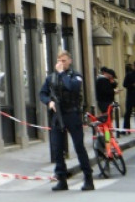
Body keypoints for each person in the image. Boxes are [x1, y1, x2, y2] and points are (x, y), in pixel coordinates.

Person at [39, 50, 94, 191]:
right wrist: (49, 102)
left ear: (70, 61)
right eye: (59, 60)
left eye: (64, 60)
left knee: (79, 147)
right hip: (58, 116)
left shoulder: (75, 76)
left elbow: (71, 87)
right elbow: (42, 93)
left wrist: (62, 73)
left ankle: (88, 178)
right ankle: (61, 179)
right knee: (57, 148)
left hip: (72, 114)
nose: (61, 63)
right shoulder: (51, 77)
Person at [123, 63, 135, 132]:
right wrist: (132, 85)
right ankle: (126, 129)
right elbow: (124, 84)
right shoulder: (129, 74)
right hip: (130, 96)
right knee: (128, 113)